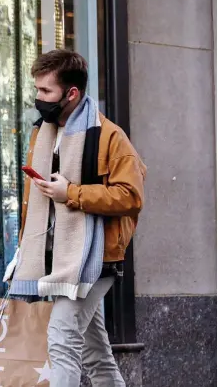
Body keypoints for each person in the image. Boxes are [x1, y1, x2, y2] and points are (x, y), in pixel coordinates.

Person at [18, 50, 146, 386]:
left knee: (61, 339)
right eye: (37, 90)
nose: (38, 98)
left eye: (46, 92)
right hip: (58, 257)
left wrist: (72, 193)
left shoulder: (110, 136)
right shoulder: (43, 132)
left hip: (96, 258)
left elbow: (131, 197)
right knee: (95, 354)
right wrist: (25, 248)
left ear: (71, 93)